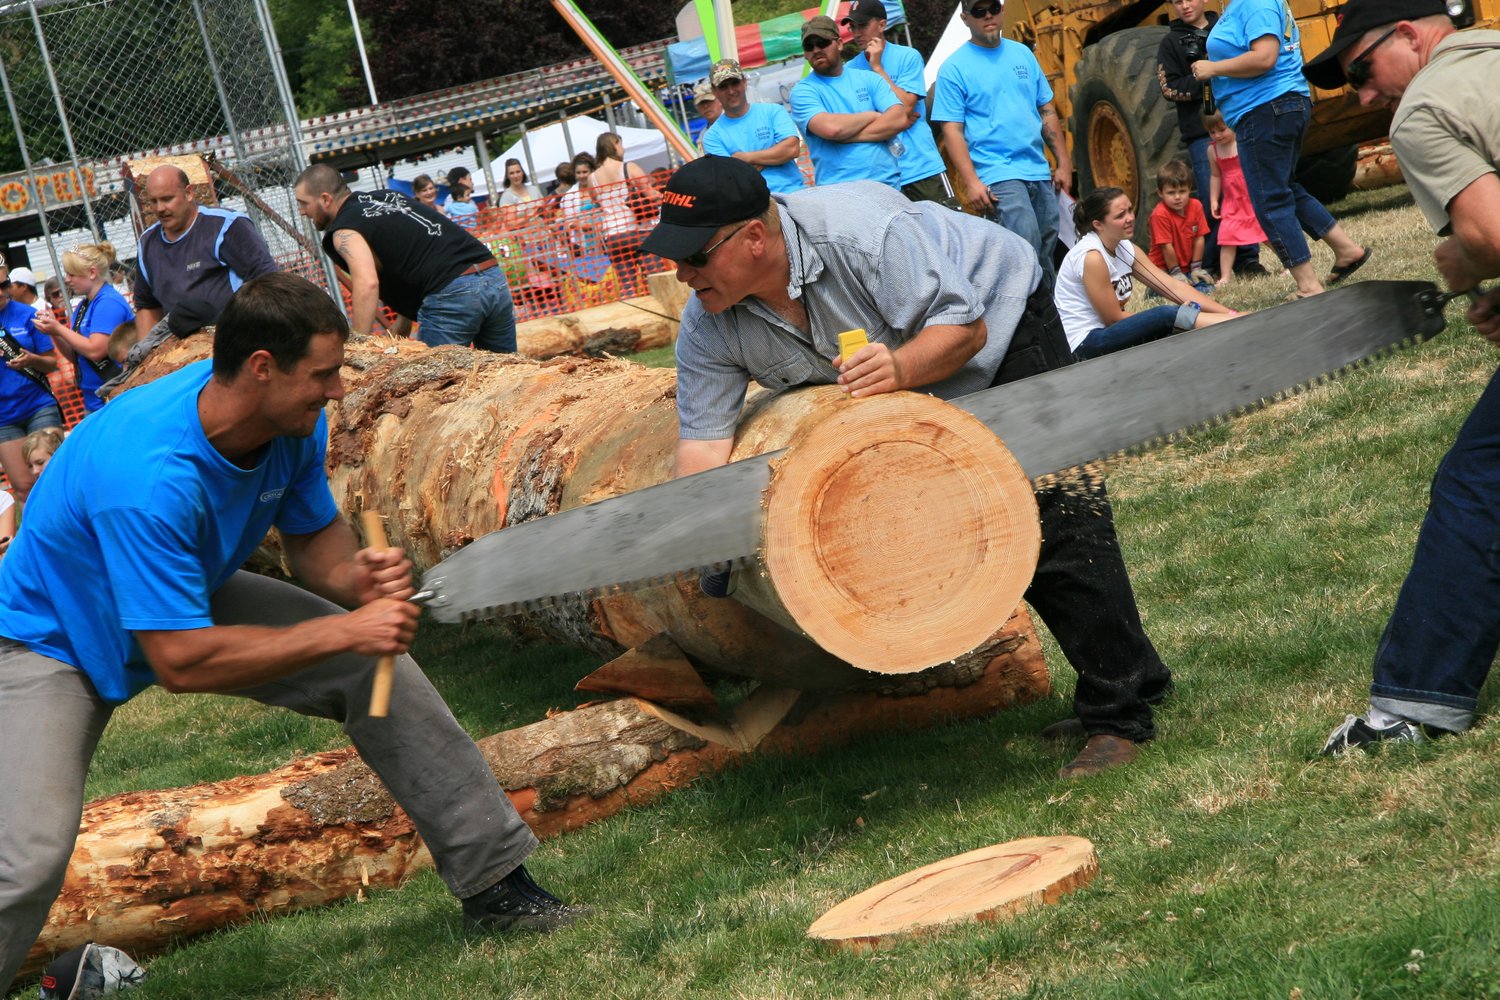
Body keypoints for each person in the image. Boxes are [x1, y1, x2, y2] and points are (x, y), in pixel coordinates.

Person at [0, 272, 585, 995]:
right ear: (261, 369)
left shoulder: (291, 425)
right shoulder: (149, 477)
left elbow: (317, 548)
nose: (338, 391)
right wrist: (348, 632)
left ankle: (496, 887)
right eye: (324, 374)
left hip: (185, 594)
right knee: (25, 860)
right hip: (49, 640)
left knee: (380, 673)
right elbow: (181, 661)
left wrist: (361, 588)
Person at [644, 155, 1175, 779]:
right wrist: (697, 529)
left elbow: (966, 329)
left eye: (694, 257)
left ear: (753, 238)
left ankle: (1119, 718)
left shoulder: (862, 233)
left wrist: (898, 368)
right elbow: (704, 446)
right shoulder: (709, 324)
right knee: (981, 526)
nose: (680, 274)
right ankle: (1139, 677)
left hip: (1000, 327)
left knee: (1056, 514)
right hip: (919, 382)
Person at [1303, 0, 1500, 752]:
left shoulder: (1425, 105)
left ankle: (1415, 704)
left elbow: (1490, 233)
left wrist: (1466, 261)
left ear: (1411, 35)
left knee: (1479, 483)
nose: (1361, 96)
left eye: (1361, 70)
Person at [1190, 0, 1370, 297]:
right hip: (1274, 107)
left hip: (1264, 109)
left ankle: (1308, 285)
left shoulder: (1254, 3)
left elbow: (1265, 58)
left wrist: (1213, 68)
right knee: (1283, 187)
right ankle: (1347, 250)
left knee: (1268, 198)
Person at [294, 164, 515, 353]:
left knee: (434, 391)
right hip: (492, 275)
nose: (302, 212)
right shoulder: (386, 198)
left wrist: (357, 347)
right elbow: (414, 254)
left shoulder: (344, 231)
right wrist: (404, 319)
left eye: (304, 203)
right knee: (508, 379)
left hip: (452, 292)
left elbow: (367, 283)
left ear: (325, 199)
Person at [933, 0, 1073, 284]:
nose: (988, 16)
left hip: (1037, 168)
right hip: (998, 173)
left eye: (993, 9)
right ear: (965, 18)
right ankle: (1034, 318)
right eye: (979, 12)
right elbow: (952, 131)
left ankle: (1049, 318)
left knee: (1046, 246)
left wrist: (1064, 163)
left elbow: (1046, 110)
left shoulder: (1022, 54)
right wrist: (971, 181)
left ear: (1002, 10)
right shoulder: (953, 68)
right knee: (1025, 249)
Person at [1055, 187, 1234, 360]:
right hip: (1084, 343)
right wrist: (1167, 317)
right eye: (1120, 215)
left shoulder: (1125, 246)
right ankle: (1234, 325)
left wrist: (1229, 312)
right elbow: (1113, 319)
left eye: (1130, 210)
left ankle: (1235, 320)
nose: (1130, 218)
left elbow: (1172, 287)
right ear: (1098, 224)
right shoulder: (1092, 257)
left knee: (1169, 317)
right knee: (1165, 315)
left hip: (1106, 333)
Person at [1157, 0, 1265, 279]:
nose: (1184, 6)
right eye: (1177, 1)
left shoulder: (1226, 27)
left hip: (1238, 123)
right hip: (1202, 135)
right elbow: (1168, 87)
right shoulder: (1171, 42)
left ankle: (1248, 259)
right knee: (1213, 200)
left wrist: (1220, 70)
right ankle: (1213, 262)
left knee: (1245, 194)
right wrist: (1205, 78)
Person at [133, 165, 279, 341]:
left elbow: (269, 281)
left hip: (238, 338)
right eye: (153, 201)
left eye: (167, 199)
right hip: (182, 349)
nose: (160, 208)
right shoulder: (147, 243)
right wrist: (146, 355)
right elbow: (147, 306)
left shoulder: (226, 226)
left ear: (188, 193)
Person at [843, 0, 954, 205]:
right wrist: (894, 118)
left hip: (923, 167)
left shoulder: (908, 56)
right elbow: (855, 122)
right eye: (853, 27)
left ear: (882, 25)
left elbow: (907, 107)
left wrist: (877, 68)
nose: (856, 33)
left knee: (951, 233)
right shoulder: (849, 70)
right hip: (882, 177)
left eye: (862, 25)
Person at [788, 15, 908, 189]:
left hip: (889, 184)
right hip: (841, 193)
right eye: (809, 46)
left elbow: (899, 119)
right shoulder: (802, 92)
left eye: (822, 42)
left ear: (839, 43)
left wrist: (847, 136)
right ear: (805, 55)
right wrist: (873, 115)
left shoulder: (869, 78)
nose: (816, 50)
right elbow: (832, 129)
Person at [33, 242, 133, 414]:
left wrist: (58, 328)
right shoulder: (84, 306)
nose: (66, 279)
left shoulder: (108, 302)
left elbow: (95, 351)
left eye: (72, 274)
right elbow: (76, 355)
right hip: (94, 398)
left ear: (92, 273)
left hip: (116, 394)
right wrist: (54, 333)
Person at [0, 260, 60, 508]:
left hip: (38, 405)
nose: (2, 292)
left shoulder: (27, 314)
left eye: (4, 284)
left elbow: (51, 363)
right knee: (24, 488)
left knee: (54, 479)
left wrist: (32, 359)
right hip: (4, 417)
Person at [701, 58, 807, 195]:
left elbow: (792, 149)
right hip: (754, 207)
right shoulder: (711, 137)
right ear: (714, 91)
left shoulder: (773, 111)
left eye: (735, 83)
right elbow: (731, 178)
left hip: (794, 194)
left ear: (744, 82)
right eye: (723, 86)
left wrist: (746, 158)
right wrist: (774, 153)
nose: (731, 91)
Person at [1203, 110, 1270, 288]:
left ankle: (1289, 263)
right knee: (1227, 237)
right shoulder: (1213, 150)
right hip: (1232, 203)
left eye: (1221, 130)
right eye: (1212, 132)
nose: (1217, 135)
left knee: (1268, 233)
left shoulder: (1242, 142)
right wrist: (1214, 200)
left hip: (1251, 197)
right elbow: (1216, 176)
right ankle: (1225, 276)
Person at [590, 132, 663, 293]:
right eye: (620, 144)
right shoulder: (628, 167)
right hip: (639, 231)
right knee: (656, 282)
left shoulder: (592, 177)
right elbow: (650, 194)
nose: (623, 149)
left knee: (627, 287)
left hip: (613, 235)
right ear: (614, 144)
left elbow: (598, 204)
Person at [1146, 159, 1216, 291]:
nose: (1178, 197)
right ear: (1160, 193)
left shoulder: (1196, 206)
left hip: (1187, 268)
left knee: (1207, 289)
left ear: (1189, 189)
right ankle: (1154, 290)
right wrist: (1175, 272)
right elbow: (1166, 247)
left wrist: (1196, 267)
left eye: (1182, 191)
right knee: (1175, 292)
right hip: (1164, 270)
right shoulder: (1159, 214)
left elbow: (1199, 238)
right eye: (1171, 193)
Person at [497, 158, 544, 229]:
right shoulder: (506, 197)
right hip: (524, 237)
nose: (516, 176)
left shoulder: (534, 189)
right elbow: (510, 224)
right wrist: (531, 215)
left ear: (522, 172)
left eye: (518, 172)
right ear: (507, 176)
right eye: (512, 173)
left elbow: (545, 210)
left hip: (543, 233)